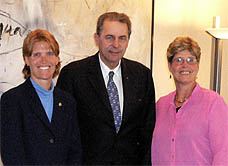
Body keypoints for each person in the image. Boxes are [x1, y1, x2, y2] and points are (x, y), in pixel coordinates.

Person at [57, 12, 156, 165]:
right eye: (109, 37)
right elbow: (64, 132)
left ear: (128, 40)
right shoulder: (73, 75)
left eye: (122, 38)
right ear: (97, 38)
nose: (116, 44)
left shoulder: (142, 76)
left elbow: (147, 131)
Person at [0, 29, 82, 165]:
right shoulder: (12, 100)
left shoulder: (68, 102)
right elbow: (12, 155)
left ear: (56, 59)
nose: (44, 60)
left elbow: (75, 152)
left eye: (50, 53)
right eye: (37, 54)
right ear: (27, 60)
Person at [152, 36, 228, 166]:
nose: (185, 65)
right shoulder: (160, 106)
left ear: (198, 65)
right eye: (179, 60)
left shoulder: (213, 103)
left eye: (191, 60)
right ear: (170, 66)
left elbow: (223, 154)